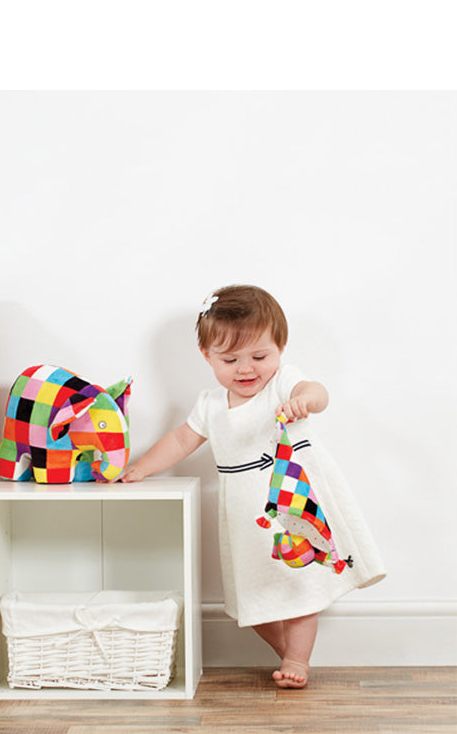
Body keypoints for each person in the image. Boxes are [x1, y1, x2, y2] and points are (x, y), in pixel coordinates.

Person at [121, 284, 386, 688]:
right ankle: (286, 650)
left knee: (301, 587)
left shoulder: (282, 385)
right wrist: (141, 467)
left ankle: (297, 660)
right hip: (246, 522)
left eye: (259, 357)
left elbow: (316, 392)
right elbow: (180, 440)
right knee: (253, 602)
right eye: (230, 359)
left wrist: (305, 401)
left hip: (292, 506)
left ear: (280, 348)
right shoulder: (211, 404)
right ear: (207, 355)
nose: (246, 369)